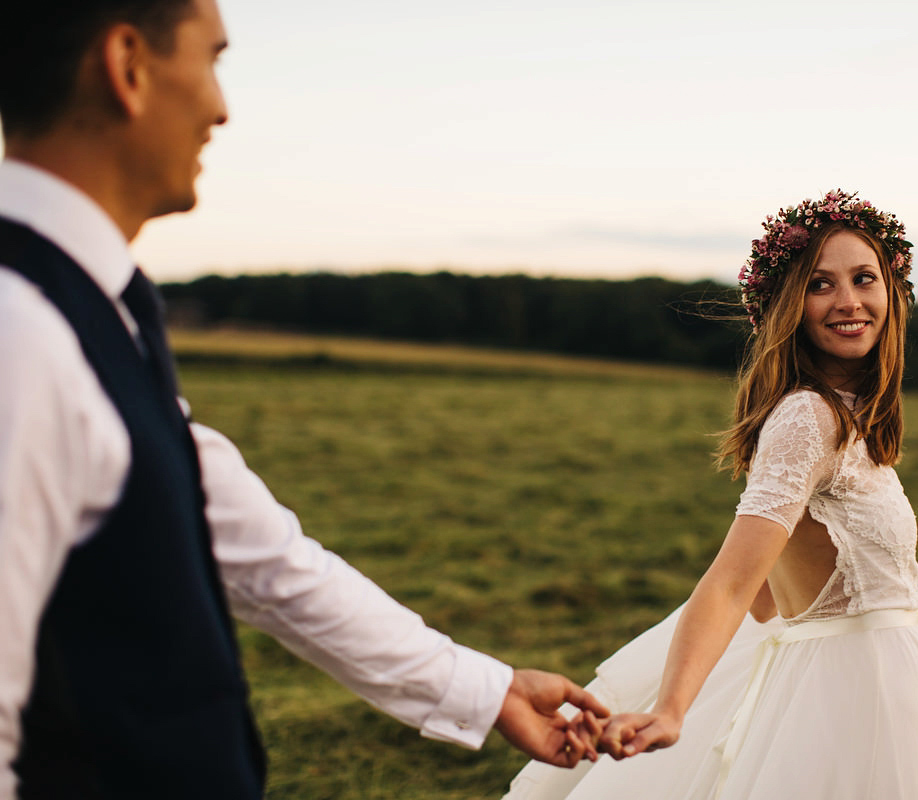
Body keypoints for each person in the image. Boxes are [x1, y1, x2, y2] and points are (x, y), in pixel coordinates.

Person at [0, 1, 607, 798]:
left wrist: (484, 689)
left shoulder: (100, 311)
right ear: (128, 65)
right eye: (211, 58)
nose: (222, 107)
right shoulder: (20, 331)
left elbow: (268, 560)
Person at [505, 190, 918, 799]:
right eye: (820, 285)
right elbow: (731, 583)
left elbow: (768, 602)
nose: (849, 301)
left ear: (891, 293)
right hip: (850, 700)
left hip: (884, 687)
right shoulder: (807, 420)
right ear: (789, 307)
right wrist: (670, 707)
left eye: (863, 278)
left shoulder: (852, 420)